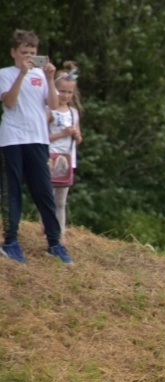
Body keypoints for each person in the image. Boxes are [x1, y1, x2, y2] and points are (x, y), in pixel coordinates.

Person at [0, 29, 73, 264]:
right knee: (12, 191)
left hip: (38, 139)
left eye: (32, 53)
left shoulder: (42, 76)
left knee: (43, 190)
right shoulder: (4, 74)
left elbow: (52, 104)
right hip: (12, 139)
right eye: (24, 52)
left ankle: (54, 243)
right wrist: (21, 74)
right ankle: (10, 242)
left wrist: (51, 79)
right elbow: (9, 103)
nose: (28, 56)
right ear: (13, 52)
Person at [47, 61, 82, 239]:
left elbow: (79, 139)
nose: (65, 95)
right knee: (48, 197)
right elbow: (44, 137)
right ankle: (46, 229)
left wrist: (75, 135)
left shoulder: (73, 113)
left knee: (61, 201)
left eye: (69, 92)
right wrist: (62, 133)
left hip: (67, 161)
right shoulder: (49, 111)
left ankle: (60, 234)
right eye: (62, 91)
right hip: (50, 157)